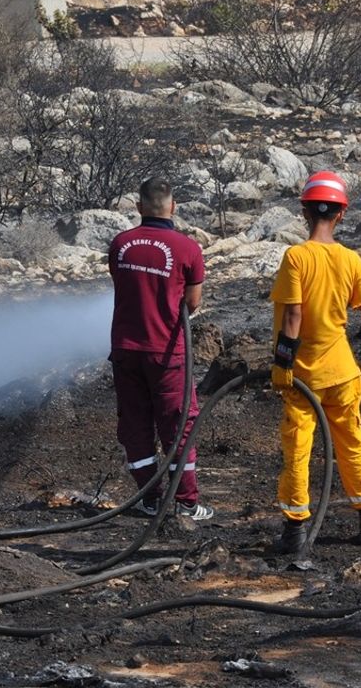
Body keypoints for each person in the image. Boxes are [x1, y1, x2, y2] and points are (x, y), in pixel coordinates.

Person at [270, 170, 361, 554]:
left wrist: (282, 365)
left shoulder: (296, 257)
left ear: (304, 212)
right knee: (352, 443)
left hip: (303, 376)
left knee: (299, 448)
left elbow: (292, 319)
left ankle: (295, 530)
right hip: (344, 374)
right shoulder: (351, 259)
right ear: (341, 215)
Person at [108, 178, 214, 521]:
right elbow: (192, 303)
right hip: (168, 352)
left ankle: (150, 499)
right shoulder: (188, 249)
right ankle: (185, 503)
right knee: (179, 424)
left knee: (135, 425)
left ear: (139, 208)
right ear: (174, 207)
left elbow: (125, 287)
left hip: (125, 350)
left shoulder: (120, 244)